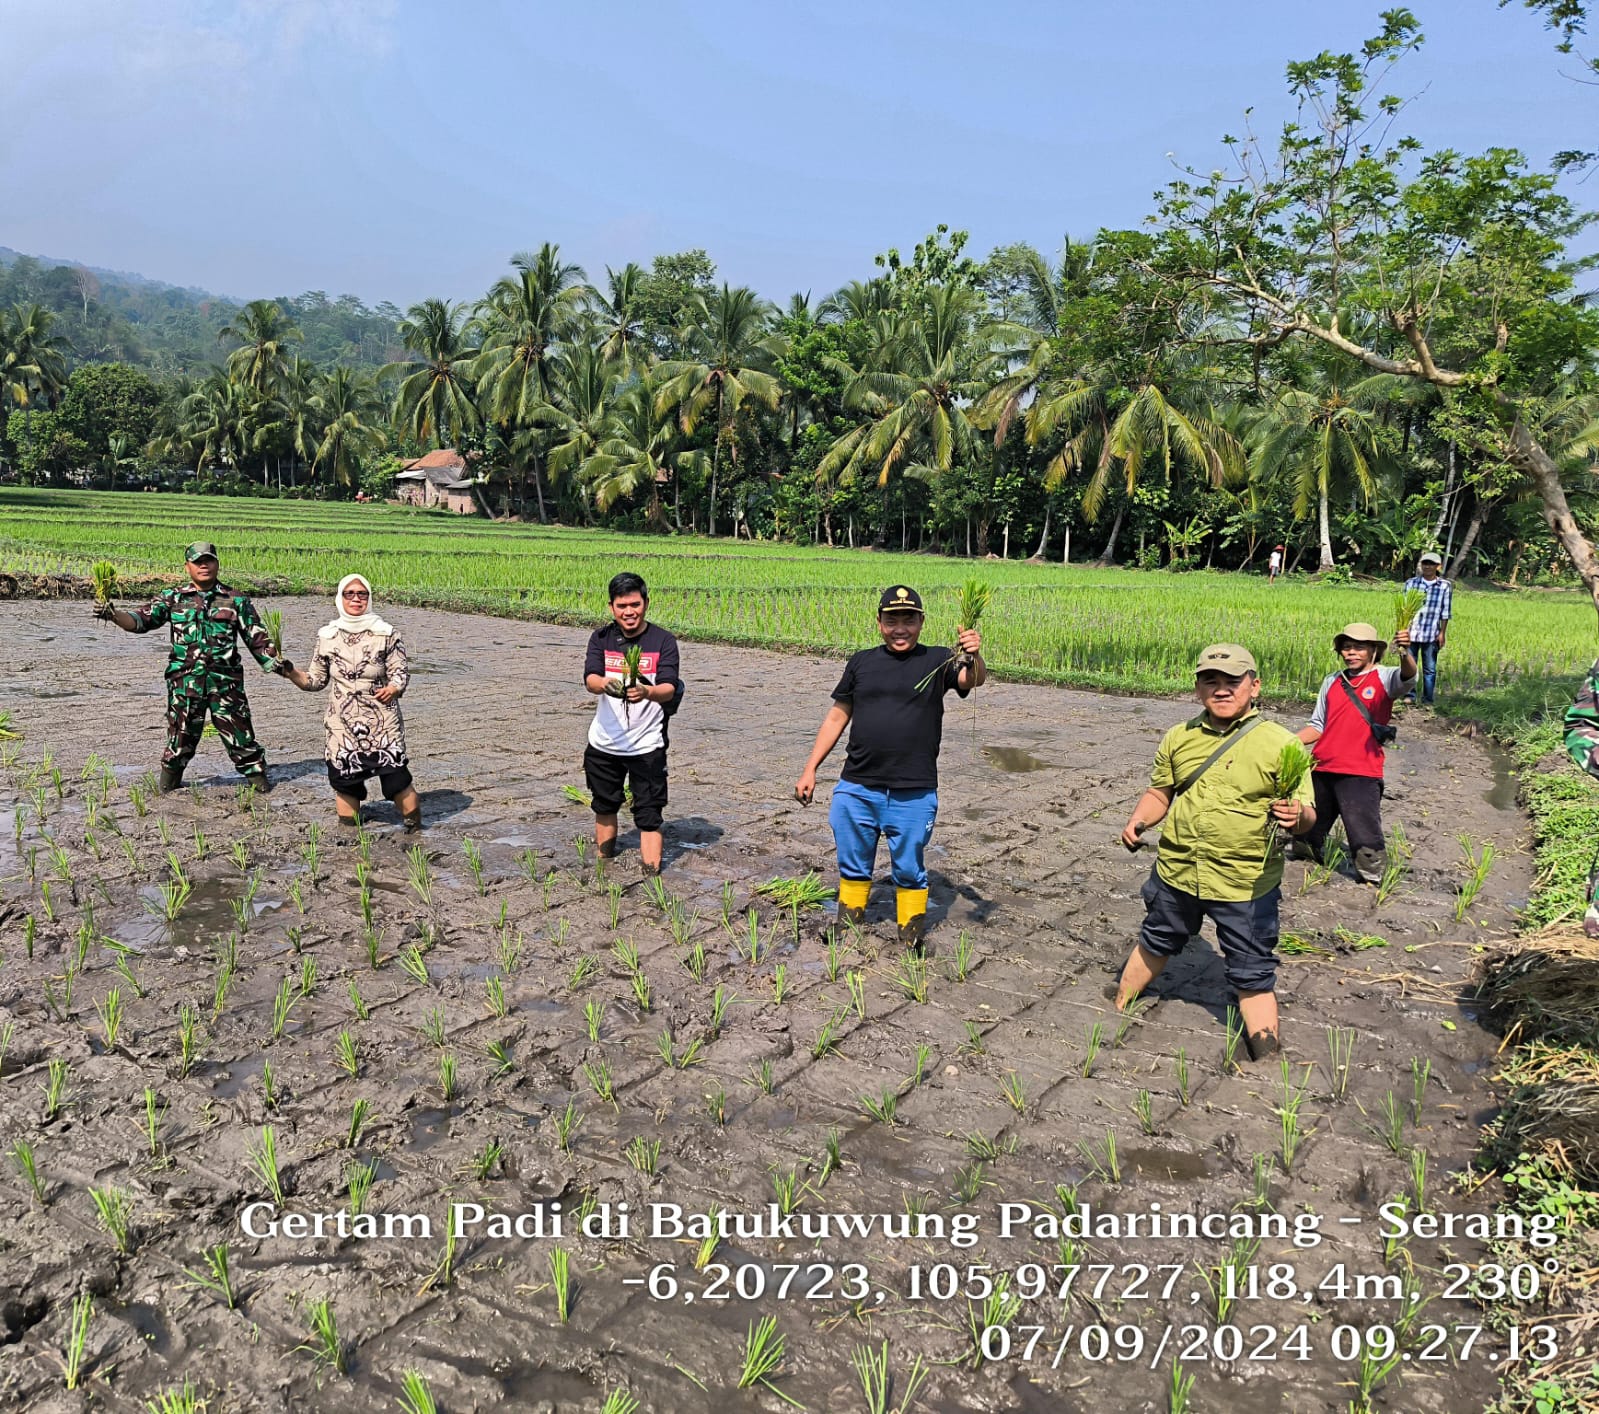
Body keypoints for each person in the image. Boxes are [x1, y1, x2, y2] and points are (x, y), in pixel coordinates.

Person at [1114, 643, 1317, 1060]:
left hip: (1244, 883)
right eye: (1211, 681)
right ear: (1197, 688)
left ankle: (1265, 1055)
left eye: (1232, 682)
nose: (1221, 690)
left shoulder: (1284, 745)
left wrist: (1296, 816)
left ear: (1254, 686)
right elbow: (1160, 792)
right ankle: (1116, 1008)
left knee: (1252, 970)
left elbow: (1308, 812)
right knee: (1156, 939)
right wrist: (1139, 821)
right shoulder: (1179, 736)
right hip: (1178, 870)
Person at [793, 586, 985, 950]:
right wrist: (810, 768)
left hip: (912, 791)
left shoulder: (940, 660)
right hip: (857, 786)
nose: (901, 628)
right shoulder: (861, 662)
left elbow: (970, 680)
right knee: (852, 862)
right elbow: (837, 717)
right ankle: (848, 926)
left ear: (921, 622)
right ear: (879, 623)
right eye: (892, 619)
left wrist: (974, 655)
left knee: (910, 869)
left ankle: (910, 935)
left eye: (909, 619)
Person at [94, 541, 291, 793]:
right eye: (198, 562)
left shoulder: (236, 600)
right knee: (180, 740)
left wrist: (284, 667)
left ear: (217, 563)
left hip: (226, 686)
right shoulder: (173, 598)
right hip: (185, 684)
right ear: (187, 566)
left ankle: (263, 789)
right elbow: (139, 621)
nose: (204, 566)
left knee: (242, 741)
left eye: (208, 560)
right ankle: (166, 790)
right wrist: (112, 614)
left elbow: (258, 640)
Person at [283, 575, 421, 829]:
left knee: (396, 780)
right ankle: (349, 835)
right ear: (340, 598)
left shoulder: (386, 633)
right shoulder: (328, 636)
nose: (356, 598)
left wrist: (394, 688)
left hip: (382, 721)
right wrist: (291, 672)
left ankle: (414, 831)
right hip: (342, 724)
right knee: (345, 781)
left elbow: (401, 671)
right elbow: (315, 680)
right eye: (350, 593)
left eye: (362, 594)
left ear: (369, 598)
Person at [1294, 622, 1416, 884]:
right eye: (1346, 648)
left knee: (1364, 834)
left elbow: (1409, 678)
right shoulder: (1332, 681)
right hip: (1323, 766)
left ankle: (1372, 878)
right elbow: (1318, 725)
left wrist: (1405, 652)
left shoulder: (1384, 678)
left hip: (1360, 770)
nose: (1351, 653)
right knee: (1307, 830)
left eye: (1358, 648)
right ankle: (1307, 857)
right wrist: (1287, 742)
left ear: (1373, 650)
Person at [582, 572, 682, 874]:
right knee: (604, 805)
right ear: (612, 607)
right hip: (605, 743)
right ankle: (604, 865)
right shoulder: (601, 639)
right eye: (622, 605)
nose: (629, 612)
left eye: (635, 604)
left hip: (646, 745)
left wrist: (647, 691)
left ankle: (653, 877)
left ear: (646, 603)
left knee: (649, 815)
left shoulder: (663, 641)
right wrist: (605, 685)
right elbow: (591, 678)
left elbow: (669, 687)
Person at [1402, 552, 1452, 704]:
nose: (1428, 566)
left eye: (1431, 564)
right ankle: (1409, 696)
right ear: (1421, 565)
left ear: (1438, 567)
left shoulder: (1445, 586)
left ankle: (1427, 699)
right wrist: (1402, 630)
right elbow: (1404, 609)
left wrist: (1442, 633)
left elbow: (1445, 611)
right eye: (1425, 563)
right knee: (1409, 667)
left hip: (1431, 633)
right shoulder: (1411, 583)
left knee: (1430, 669)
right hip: (1412, 633)